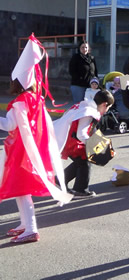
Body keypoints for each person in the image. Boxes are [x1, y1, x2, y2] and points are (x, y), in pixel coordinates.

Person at [0, 35, 72, 243]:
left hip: (21, 152)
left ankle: (31, 228)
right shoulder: (36, 99)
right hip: (30, 151)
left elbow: (10, 125)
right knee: (22, 190)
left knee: (21, 190)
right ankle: (25, 224)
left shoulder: (20, 102)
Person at [55, 90, 114, 197]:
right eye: (108, 108)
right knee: (85, 160)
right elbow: (81, 134)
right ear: (104, 104)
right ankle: (80, 190)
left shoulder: (85, 105)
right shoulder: (89, 112)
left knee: (80, 161)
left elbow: (89, 129)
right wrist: (94, 146)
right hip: (69, 140)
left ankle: (59, 181)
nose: (106, 111)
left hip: (65, 136)